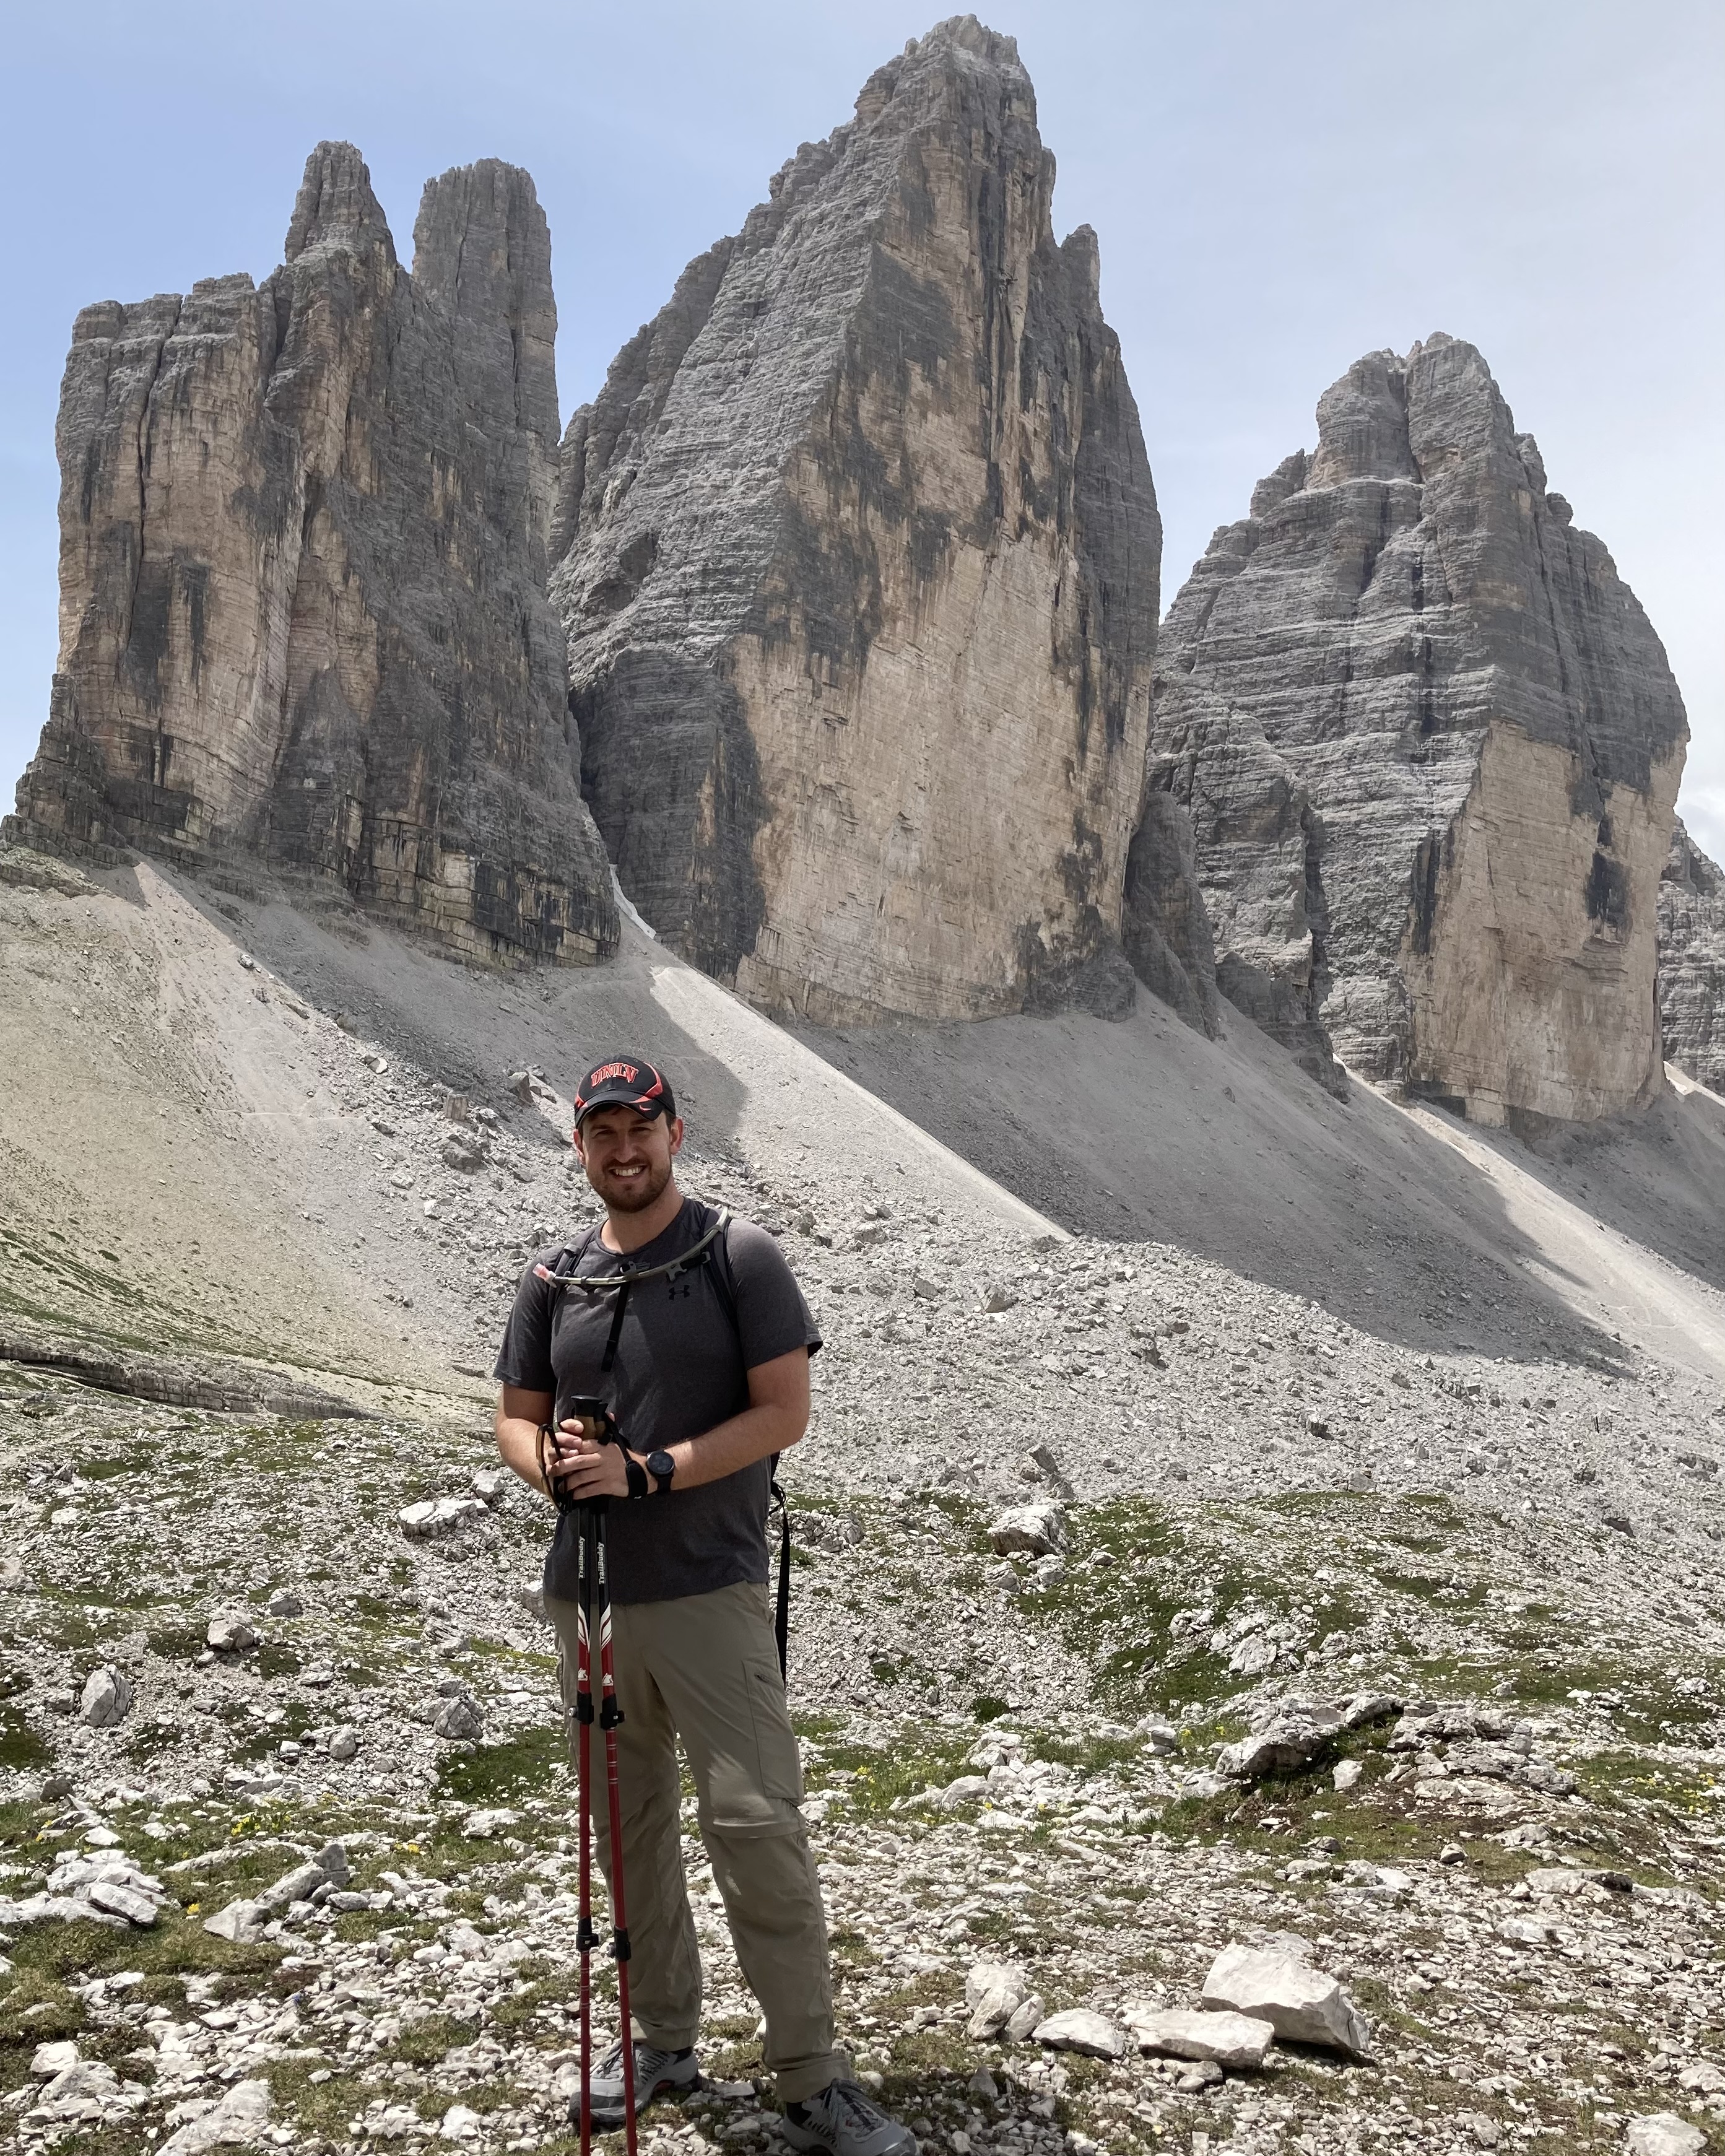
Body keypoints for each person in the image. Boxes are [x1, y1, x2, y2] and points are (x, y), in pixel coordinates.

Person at [492, 1054, 914, 2156]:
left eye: (641, 1129)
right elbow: (512, 1420)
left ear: (677, 1132)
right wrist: (562, 1465)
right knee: (626, 1828)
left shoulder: (738, 1255)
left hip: (711, 1584)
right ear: (579, 1145)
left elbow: (784, 1413)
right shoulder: (553, 1277)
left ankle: (811, 2073)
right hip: (588, 1598)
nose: (622, 1151)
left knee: (755, 1822)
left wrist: (653, 1469)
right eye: (602, 1133)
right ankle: (658, 2038)